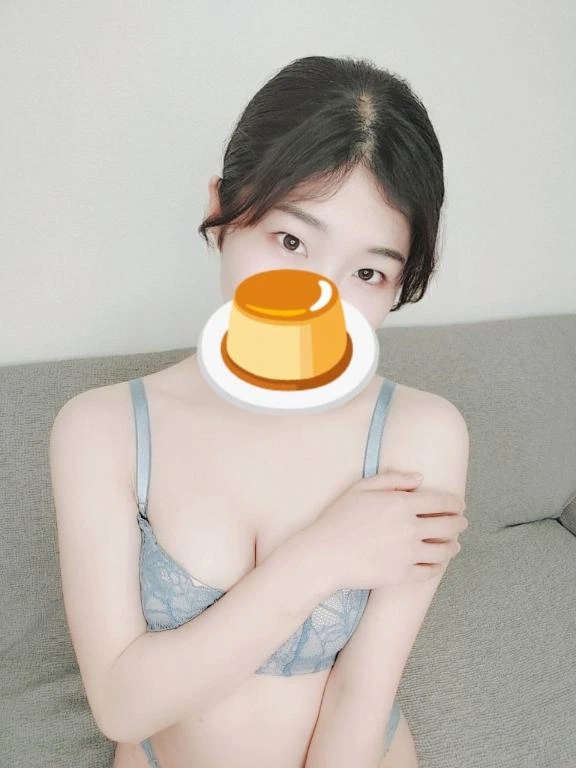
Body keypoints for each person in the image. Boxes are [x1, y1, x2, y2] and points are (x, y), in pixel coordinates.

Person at [49, 55, 469, 768]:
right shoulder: (101, 429)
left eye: (368, 271)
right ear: (221, 212)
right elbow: (122, 706)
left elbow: (364, 693)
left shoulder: (422, 435)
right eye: (291, 241)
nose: (318, 300)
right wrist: (321, 557)